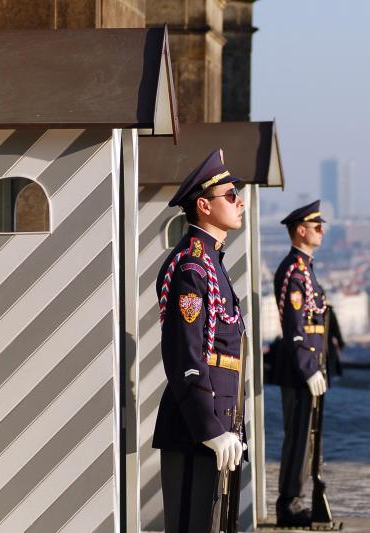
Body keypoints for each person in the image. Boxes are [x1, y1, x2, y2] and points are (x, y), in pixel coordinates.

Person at [152, 148, 247, 533]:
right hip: (197, 425)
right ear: (204, 206)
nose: (239, 202)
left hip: (219, 418)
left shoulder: (212, 262)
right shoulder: (192, 266)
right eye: (231, 195)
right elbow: (186, 354)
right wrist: (209, 428)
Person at [273, 200, 329, 527]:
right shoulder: (293, 271)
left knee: (308, 437)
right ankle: (289, 504)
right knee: (298, 437)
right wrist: (308, 368)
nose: (322, 231)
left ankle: (297, 499)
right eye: (316, 226)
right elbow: (294, 328)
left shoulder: (305, 269)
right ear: (300, 231)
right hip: (298, 369)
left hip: (309, 365)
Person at [326, 306, 345, 381]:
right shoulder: (329, 311)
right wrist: (340, 343)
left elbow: (336, 329)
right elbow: (336, 329)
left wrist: (340, 342)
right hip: (328, 345)